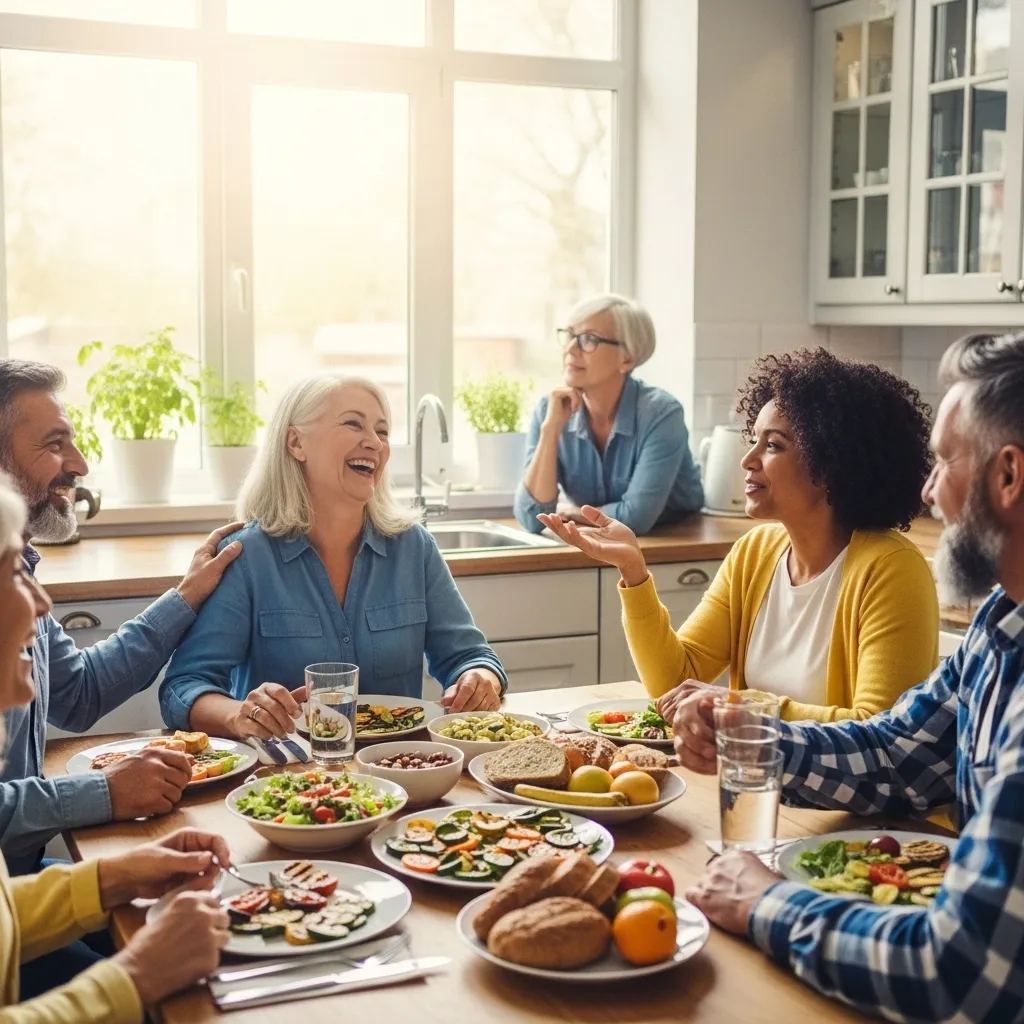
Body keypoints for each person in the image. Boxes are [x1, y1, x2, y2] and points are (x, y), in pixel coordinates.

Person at [683, 332, 1024, 1023]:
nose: (928, 495)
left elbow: (953, 972)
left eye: (943, 466)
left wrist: (765, 902)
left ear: (1008, 477)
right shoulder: (1001, 624)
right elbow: (902, 752)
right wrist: (759, 740)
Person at [541, 348, 938, 723]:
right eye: (754, 441)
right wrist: (633, 570)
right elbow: (675, 681)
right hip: (758, 786)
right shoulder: (756, 552)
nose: (748, 460)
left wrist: (738, 705)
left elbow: (880, 730)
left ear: (830, 465)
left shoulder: (890, 569)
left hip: (841, 797)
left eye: (773, 445)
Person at [0, 469, 232, 1022]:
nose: (43, 603)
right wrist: (135, 977)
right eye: (12, 570)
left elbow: (79, 692)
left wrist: (115, 876)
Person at [159, 373, 507, 740]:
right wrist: (241, 715)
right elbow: (184, 687)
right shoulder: (248, 557)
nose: (374, 442)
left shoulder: (414, 548)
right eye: (353, 423)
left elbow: (471, 657)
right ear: (296, 442)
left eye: (383, 431)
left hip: (401, 770)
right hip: (287, 777)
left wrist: (479, 680)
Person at [0, 360, 242, 875]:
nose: (81, 464)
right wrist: (102, 792)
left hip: (22, 882)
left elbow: (77, 693)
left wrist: (186, 596)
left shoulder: (17, 569)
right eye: (54, 444)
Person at [514, 294, 703, 537]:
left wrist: (573, 513)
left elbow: (636, 518)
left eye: (589, 339)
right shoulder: (549, 410)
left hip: (673, 540)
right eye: (570, 335)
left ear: (628, 357)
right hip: (598, 539)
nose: (571, 348)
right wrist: (550, 430)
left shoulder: (662, 414)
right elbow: (532, 518)